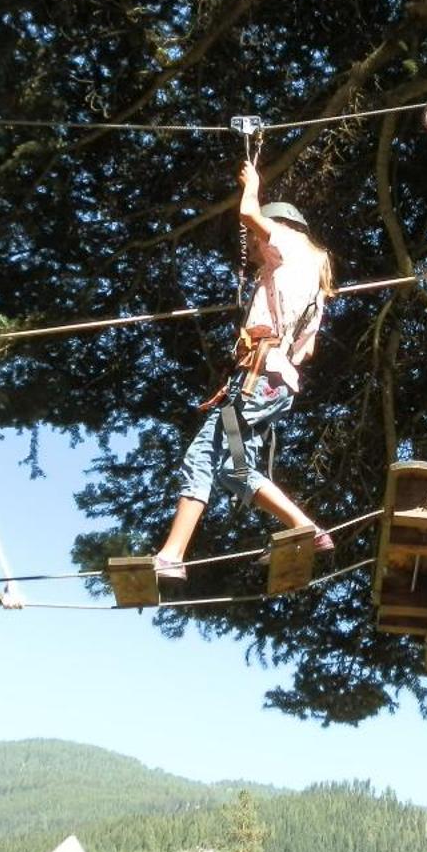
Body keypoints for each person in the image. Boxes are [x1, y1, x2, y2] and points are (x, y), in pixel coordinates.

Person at [152, 160, 336, 580]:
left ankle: (172, 555)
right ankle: (305, 528)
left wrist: (253, 185)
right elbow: (304, 353)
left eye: (257, 243)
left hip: (256, 380)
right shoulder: (312, 282)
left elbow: (249, 215)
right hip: (272, 384)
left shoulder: (288, 241)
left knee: (202, 453)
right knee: (236, 470)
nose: (253, 248)